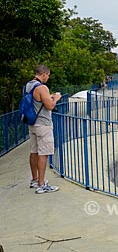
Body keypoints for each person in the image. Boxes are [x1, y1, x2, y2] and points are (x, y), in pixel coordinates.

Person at [27, 64, 62, 194]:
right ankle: (42, 185)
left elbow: (37, 102)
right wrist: (56, 98)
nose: (48, 78)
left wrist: (49, 97)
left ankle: (35, 180)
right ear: (43, 74)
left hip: (32, 123)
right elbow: (50, 106)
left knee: (34, 151)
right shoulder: (42, 87)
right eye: (48, 75)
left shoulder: (28, 85)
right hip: (43, 124)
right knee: (44, 153)